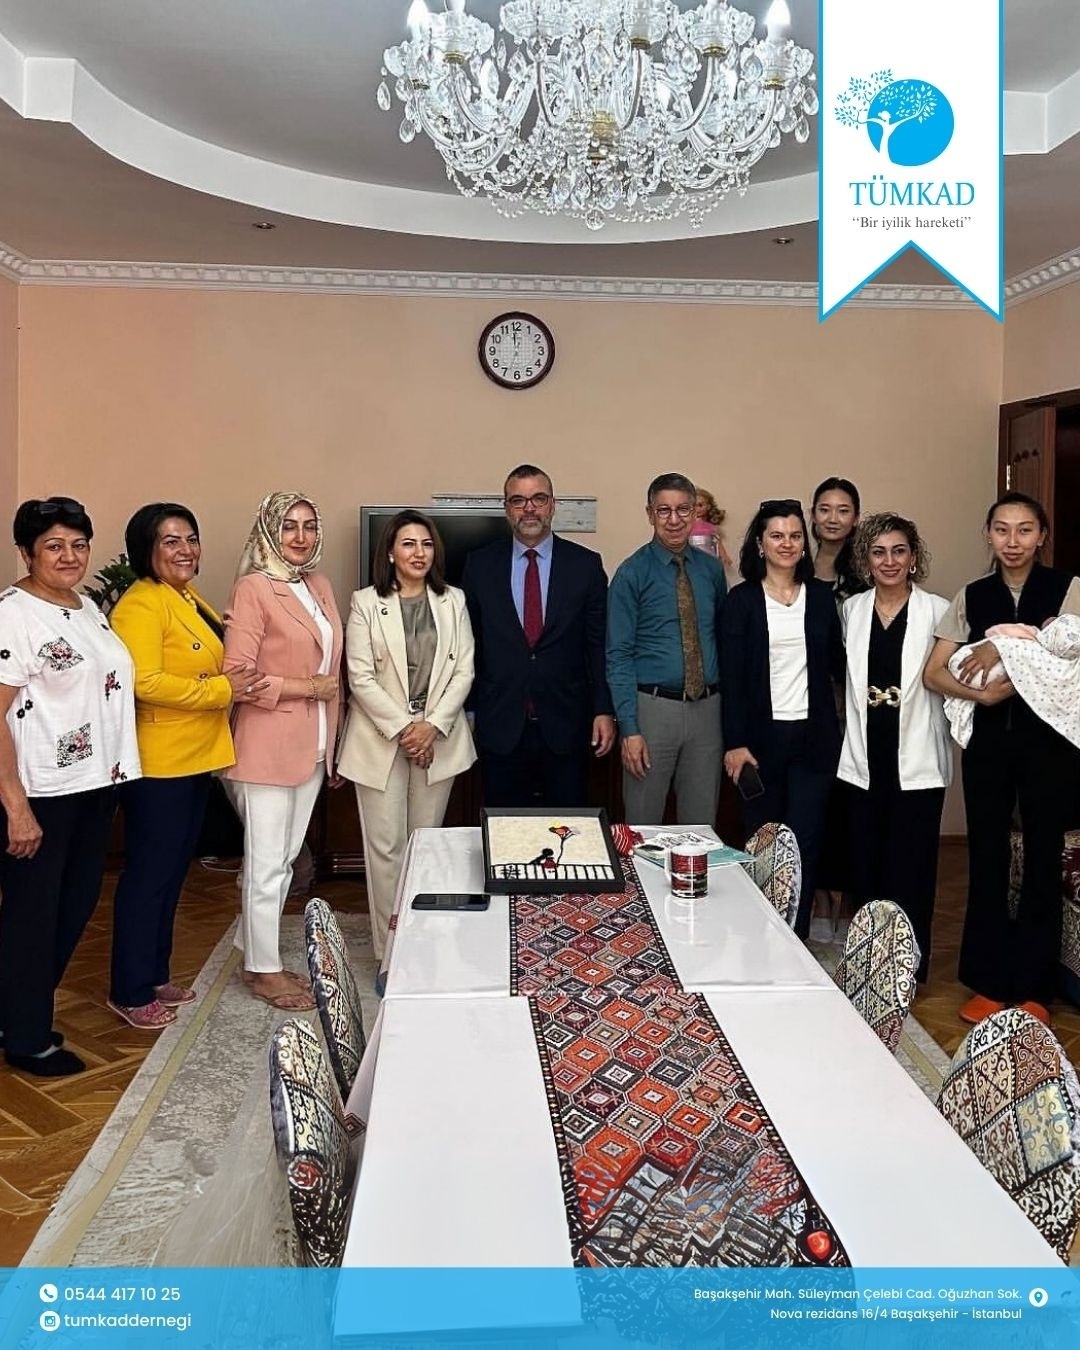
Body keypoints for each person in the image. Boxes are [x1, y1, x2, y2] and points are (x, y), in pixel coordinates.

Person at [924, 491, 1080, 1025]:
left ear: (1042, 536)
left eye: (1025, 530)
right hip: (989, 743)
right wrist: (982, 694)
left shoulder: (1068, 589)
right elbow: (934, 673)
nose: (1013, 541)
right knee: (986, 855)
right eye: (1002, 529)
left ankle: (1036, 988)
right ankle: (988, 981)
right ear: (988, 536)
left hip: (1050, 744)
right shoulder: (972, 595)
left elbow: (1071, 657)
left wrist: (1001, 648)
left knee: (1043, 857)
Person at [109, 504, 264, 1030]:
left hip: (195, 757)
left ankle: (154, 974)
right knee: (149, 877)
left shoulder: (184, 596)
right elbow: (143, 681)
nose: (185, 549)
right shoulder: (140, 603)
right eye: (170, 540)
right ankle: (130, 990)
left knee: (171, 874)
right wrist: (221, 689)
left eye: (191, 538)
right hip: (161, 763)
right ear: (145, 549)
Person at [0, 498, 140, 1076]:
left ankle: (14, 1013)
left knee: (74, 907)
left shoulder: (85, 608)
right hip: (40, 792)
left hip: (92, 785)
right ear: (27, 552)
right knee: (34, 917)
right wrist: (15, 806)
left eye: (78, 544)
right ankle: (27, 1038)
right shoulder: (14, 614)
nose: (69, 556)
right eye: (53, 545)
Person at [222, 493, 343, 1011]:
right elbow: (237, 675)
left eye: (309, 526)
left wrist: (333, 740)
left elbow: (334, 668)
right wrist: (307, 688)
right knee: (267, 863)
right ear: (270, 530)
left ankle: (256, 952)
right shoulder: (254, 587)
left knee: (285, 860)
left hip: (313, 746)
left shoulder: (319, 585)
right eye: (289, 526)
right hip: (266, 746)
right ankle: (264, 971)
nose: (300, 536)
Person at [338, 510, 476, 962]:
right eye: (409, 544)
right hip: (380, 739)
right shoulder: (365, 602)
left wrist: (431, 726)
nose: (419, 553)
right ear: (391, 554)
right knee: (386, 850)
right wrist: (406, 729)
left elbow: (464, 671)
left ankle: (420, 947)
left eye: (427, 544)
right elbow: (360, 677)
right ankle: (390, 954)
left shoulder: (453, 600)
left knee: (426, 845)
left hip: (438, 737)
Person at [720, 499, 844, 937]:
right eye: (777, 535)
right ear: (761, 543)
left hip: (814, 740)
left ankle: (797, 936)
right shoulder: (742, 601)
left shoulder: (822, 599)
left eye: (794, 536)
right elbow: (732, 679)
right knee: (764, 841)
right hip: (759, 744)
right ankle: (760, 934)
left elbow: (839, 667)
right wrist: (735, 743)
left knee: (806, 841)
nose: (787, 543)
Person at [837, 513, 950, 981]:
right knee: (865, 867)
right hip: (864, 757)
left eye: (899, 551)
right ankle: (867, 964)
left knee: (912, 869)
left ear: (914, 557)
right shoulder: (851, 610)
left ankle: (906, 970)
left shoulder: (939, 611)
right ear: (866, 559)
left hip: (917, 758)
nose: (889, 561)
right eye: (879, 552)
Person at [462, 464, 614, 808]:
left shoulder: (585, 565)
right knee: (504, 828)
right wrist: (468, 711)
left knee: (569, 828)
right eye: (518, 500)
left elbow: (597, 645)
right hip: (500, 725)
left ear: (553, 505)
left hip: (567, 724)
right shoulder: (479, 565)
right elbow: (470, 645)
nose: (529, 508)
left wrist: (603, 710)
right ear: (507, 508)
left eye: (538, 499)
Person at [607, 473, 726, 826]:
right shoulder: (631, 573)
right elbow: (618, 654)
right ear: (650, 514)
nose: (674, 519)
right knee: (643, 826)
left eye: (682, 510)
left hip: (707, 711)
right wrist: (629, 728)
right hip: (652, 712)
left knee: (701, 827)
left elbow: (722, 636)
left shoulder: (711, 570)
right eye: (664, 510)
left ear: (694, 513)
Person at [811, 476, 866, 604]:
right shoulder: (797, 562)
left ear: (856, 518)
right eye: (824, 510)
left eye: (843, 511)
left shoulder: (865, 568)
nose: (833, 519)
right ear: (813, 515)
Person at [688, 488, 734, 567]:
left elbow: (717, 542)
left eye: (700, 505)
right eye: (694, 506)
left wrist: (724, 555)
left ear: (708, 506)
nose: (697, 509)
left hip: (708, 556)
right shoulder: (686, 526)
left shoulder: (711, 527)